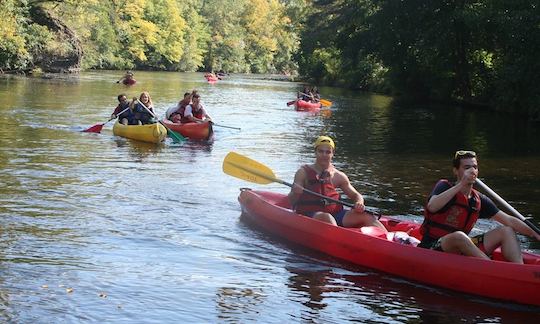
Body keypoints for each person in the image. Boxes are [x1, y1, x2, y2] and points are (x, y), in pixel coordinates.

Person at [418, 150, 540, 263]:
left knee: (506, 230)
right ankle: (491, 268)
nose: (472, 170)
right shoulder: (444, 187)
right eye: (467, 167)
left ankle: (519, 269)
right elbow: (432, 206)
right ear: (456, 171)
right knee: (459, 236)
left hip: (462, 248)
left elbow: (509, 220)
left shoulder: (478, 199)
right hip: (433, 247)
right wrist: (461, 184)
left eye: (474, 167)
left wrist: (534, 233)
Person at [288, 136, 388, 231]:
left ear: (332, 153)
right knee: (326, 217)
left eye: (328, 152)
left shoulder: (338, 175)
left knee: (367, 215)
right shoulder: (303, 172)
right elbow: (292, 201)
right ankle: (341, 240)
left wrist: (359, 203)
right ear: (315, 152)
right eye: (320, 151)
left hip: (336, 214)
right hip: (310, 214)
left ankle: (391, 241)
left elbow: (356, 195)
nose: (324, 155)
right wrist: (296, 193)